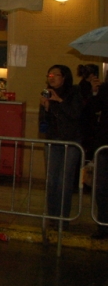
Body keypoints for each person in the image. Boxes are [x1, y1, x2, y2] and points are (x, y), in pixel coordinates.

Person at [40, 64, 83, 224]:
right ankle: (52, 215)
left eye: (55, 75)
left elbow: (74, 115)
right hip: (52, 140)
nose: (51, 78)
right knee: (52, 180)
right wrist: (45, 107)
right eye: (49, 75)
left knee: (64, 180)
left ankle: (63, 218)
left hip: (70, 141)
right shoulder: (47, 93)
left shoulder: (74, 92)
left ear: (64, 77)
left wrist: (58, 101)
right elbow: (44, 122)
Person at [84, 76, 108, 238]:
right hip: (104, 146)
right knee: (102, 188)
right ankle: (103, 225)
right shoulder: (106, 89)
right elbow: (93, 108)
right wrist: (93, 92)